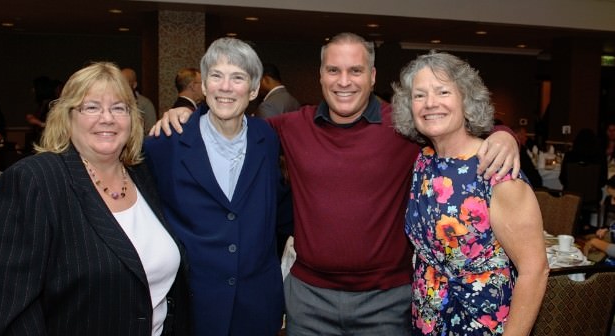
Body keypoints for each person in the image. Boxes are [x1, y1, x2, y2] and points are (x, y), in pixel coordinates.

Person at [152, 32, 520, 335]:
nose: (344, 82)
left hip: (387, 301)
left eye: (355, 70)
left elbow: (460, 129)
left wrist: (503, 135)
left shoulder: (405, 127)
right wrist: (187, 111)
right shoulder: (290, 127)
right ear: (321, 76)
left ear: (372, 76)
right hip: (309, 300)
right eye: (334, 70)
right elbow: (232, 124)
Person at [0, 62, 191, 336]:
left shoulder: (144, 175)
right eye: (91, 107)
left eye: (119, 108)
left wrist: (188, 115)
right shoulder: (33, 181)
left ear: (132, 119)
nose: (107, 118)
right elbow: (10, 310)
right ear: (67, 117)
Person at [392, 50, 548, 335]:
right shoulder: (423, 161)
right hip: (426, 320)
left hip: (483, 323)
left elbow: (534, 271)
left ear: (466, 99)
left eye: (442, 92)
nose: (430, 104)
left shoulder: (496, 171)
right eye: (419, 95)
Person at [143, 37, 289, 336]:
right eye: (216, 76)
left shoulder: (267, 138)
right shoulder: (165, 142)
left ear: (252, 89)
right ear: (204, 85)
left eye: (238, 78)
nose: (225, 87)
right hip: (191, 306)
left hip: (256, 307)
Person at [121, 67, 157, 134]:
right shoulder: (112, 103)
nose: (121, 86)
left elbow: (151, 133)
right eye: (119, 82)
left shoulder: (145, 104)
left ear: (134, 85)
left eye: (125, 83)